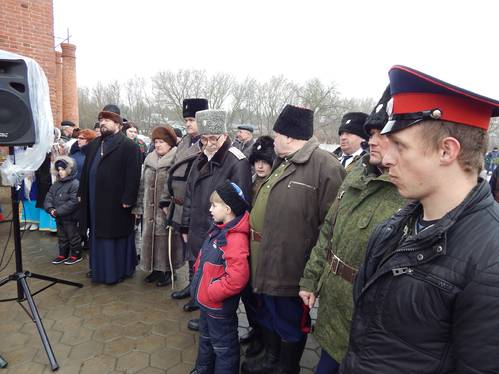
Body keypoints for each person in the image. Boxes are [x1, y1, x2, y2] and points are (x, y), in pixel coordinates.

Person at [341, 65, 499, 373]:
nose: (386, 160)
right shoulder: (394, 227)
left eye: (400, 146)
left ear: (446, 151)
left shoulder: (490, 262)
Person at [298, 86, 405, 374]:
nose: (372, 141)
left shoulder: (410, 192)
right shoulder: (358, 173)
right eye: (370, 134)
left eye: (381, 134)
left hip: (369, 324)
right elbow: (329, 230)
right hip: (334, 309)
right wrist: (310, 280)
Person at [242, 105, 345, 374]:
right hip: (267, 258)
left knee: (289, 319)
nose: (274, 139)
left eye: (277, 134)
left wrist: (313, 273)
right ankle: (271, 358)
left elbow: (331, 225)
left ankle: (287, 368)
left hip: (292, 265)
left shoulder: (325, 166)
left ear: (289, 136)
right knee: (269, 313)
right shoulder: (282, 161)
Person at [181, 109, 252, 332]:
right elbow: (190, 194)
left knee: (216, 279)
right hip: (197, 227)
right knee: (200, 270)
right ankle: (201, 310)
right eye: (204, 138)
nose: (209, 143)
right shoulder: (201, 157)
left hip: (217, 234)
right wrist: (185, 224)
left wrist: (223, 235)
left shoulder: (236, 162)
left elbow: (239, 206)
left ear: (224, 135)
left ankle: (211, 323)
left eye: (214, 138)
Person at [189, 180, 250, 374]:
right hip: (208, 304)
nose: (210, 209)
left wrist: (212, 291)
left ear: (228, 208)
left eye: (214, 205)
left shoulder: (235, 238)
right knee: (206, 340)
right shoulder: (219, 229)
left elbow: (238, 278)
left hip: (218, 307)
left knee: (224, 349)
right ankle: (202, 369)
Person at [78, 107, 142, 285]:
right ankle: (98, 269)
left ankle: (116, 272)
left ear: (118, 125)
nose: (102, 122)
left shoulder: (129, 146)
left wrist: (129, 199)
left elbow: (133, 175)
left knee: (115, 236)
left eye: (107, 120)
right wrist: (81, 194)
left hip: (116, 202)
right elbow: (86, 172)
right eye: (101, 119)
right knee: (97, 234)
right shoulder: (95, 144)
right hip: (94, 200)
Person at [159, 98, 208, 299]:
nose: (188, 123)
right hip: (179, 207)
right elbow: (171, 173)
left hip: (198, 209)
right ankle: (191, 286)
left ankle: (200, 293)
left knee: (199, 252)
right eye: (186, 119)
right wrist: (165, 199)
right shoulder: (185, 142)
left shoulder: (209, 143)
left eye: (192, 119)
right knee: (189, 252)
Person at [239, 135, 276, 358]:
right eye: (257, 161)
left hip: (265, 248)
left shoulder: (277, 184)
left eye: (265, 161)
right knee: (248, 294)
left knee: (262, 296)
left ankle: (265, 337)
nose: (260, 165)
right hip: (247, 245)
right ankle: (255, 328)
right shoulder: (251, 181)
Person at [133, 125, 181, 287]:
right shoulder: (149, 159)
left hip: (166, 211)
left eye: (161, 141)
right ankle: (155, 269)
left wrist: (174, 209)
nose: (157, 145)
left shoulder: (176, 159)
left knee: (166, 241)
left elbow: (180, 188)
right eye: (155, 142)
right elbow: (141, 185)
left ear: (169, 143)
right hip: (149, 210)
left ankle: (168, 270)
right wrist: (138, 207)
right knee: (150, 239)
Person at [44, 156, 82, 265]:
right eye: (59, 170)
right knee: (62, 236)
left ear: (69, 170)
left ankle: (76, 254)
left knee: (73, 235)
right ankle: (63, 254)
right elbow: (49, 197)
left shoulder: (75, 184)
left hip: (70, 217)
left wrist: (58, 211)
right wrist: (50, 209)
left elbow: (74, 201)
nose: (60, 172)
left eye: (63, 169)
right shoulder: (56, 184)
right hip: (59, 216)